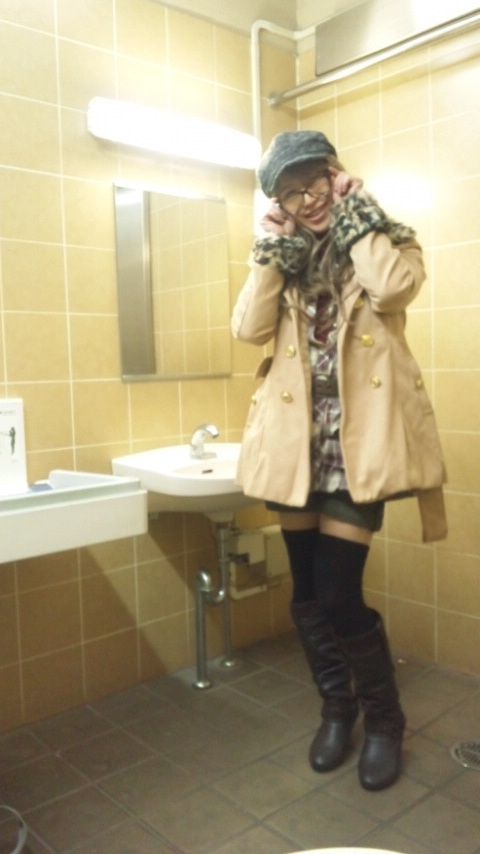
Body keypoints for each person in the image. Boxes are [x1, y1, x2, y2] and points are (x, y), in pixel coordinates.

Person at [231, 130, 447, 791]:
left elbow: (393, 290)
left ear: (337, 175)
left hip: (357, 452)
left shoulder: (387, 243)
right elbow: (247, 329)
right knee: (306, 593)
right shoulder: (285, 260)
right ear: (280, 206)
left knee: (339, 594)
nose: (309, 200)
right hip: (295, 450)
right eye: (292, 194)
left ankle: (384, 720)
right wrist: (271, 254)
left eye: (316, 182)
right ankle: (336, 707)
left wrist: (359, 217)